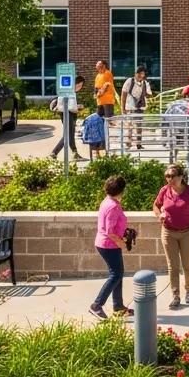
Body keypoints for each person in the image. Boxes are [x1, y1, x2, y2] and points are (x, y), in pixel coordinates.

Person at [153, 163, 189, 310]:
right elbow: (156, 205)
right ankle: (175, 295)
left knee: (187, 264)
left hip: (187, 232)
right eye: (167, 176)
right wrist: (160, 215)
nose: (169, 179)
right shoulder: (164, 191)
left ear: (181, 177)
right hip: (168, 232)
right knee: (172, 266)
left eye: (172, 176)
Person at [89, 175, 133, 319]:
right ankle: (96, 305)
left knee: (118, 274)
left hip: (106, 244)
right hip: (109, 245)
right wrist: (121, 243)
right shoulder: (113, 206)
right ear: (121, 190)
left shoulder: (107, 201)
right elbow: (110, 231)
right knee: (116, 275)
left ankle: (118, 307)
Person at [50, 74, 84, 160]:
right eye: (79, 85)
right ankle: (54, 152)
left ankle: (75, 154)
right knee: (67, 135)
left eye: (81, 85)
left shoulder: (68, 91)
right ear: (76, 84)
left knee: (70, 134)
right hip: (68, 114)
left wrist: (76, 106)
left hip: (67, 113)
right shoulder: (70, 92)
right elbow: (71, 107)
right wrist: (78, 107)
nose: (80, 87)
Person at [120, 65, 153, 149]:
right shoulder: (129, 81)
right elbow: (123, 95)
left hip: (140, 107)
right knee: (129, 126)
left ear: (144, 74)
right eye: (138, 73)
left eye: (141, 73)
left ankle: (138, 143)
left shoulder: (145, 83)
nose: (139, 75)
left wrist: (145, 92)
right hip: (130, 107)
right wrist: (122, 108)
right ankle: (128, 143)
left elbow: (150, 95)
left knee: (139, 126)